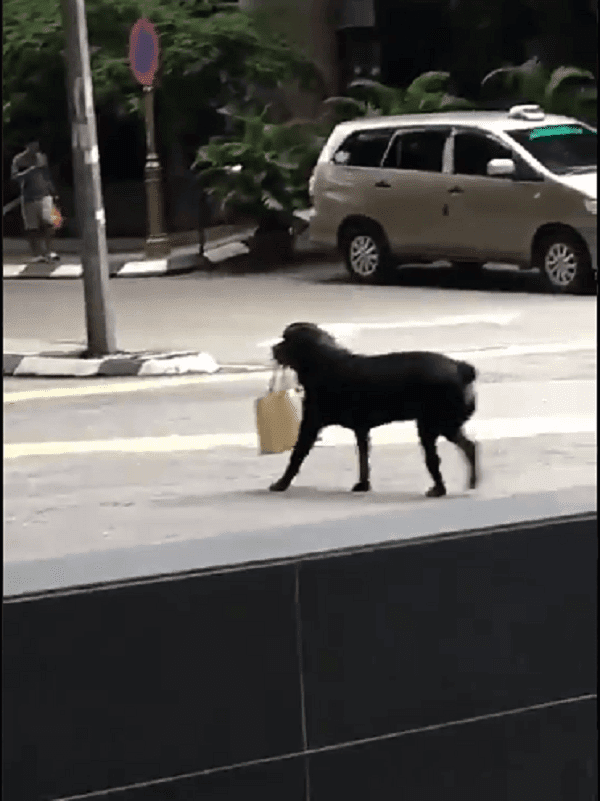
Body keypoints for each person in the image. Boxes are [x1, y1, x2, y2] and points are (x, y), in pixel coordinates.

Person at [11, 141, 60, 263]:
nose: (35, 147)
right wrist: (30, 170)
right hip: (28, 198)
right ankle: (37, 253)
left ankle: (49, 251)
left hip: (44, 196)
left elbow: (47, 174)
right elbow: (15, 177)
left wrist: (53, 191)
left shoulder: (41, 157)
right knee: (32, 227)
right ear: (27, 145)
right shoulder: (19, 160)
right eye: (32, 144)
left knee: (49, 222)